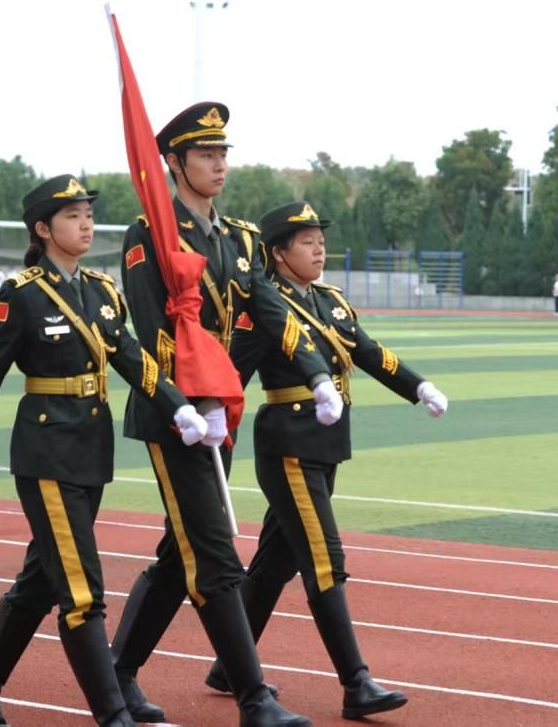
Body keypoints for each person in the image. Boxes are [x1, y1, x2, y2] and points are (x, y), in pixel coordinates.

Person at [0, 174, 208, 727]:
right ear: (43, 229)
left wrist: (177, 406)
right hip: (46, 453)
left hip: (90, 450)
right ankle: (112, 714)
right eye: (73, 216)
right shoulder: (22, 294)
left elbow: (130, 356)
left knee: (41, 581)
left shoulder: (102, 291)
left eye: (88, 214)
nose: (86, 224)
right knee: (82, 592)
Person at [111, 102, 338, 727]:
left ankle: (117, 671)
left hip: (222, 411)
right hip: (176, 415)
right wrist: (188, 402)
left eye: (223, 153)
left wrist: (316, 372)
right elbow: (152, 330)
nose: (219, 164)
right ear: (175, 162)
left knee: (178, 550)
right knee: (214, 552)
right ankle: (253, 698)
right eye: (205, 154)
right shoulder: (150, 234)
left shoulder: (239, 237)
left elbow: (270, 309)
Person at [202, 201, 447, 719]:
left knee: (275, 563)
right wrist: (212, 425)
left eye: (320, 241)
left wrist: (418, 385)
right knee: (323, 558)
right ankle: (356, 683)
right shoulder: (263, 307)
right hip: (288, 445)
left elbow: (368, 350)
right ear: (278, 253)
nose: (319, 250)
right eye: (307, 242)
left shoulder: (329, 301)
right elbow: (231, 374)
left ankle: (228, 667)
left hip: (325, 444)